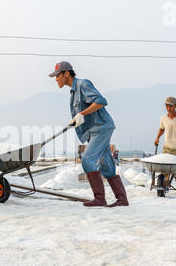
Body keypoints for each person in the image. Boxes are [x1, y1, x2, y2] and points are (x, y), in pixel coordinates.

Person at [49, 61, 128, 207]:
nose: (56, 79)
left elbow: (101, 101)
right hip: (93, 131)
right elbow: (83, 113)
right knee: (107, 166)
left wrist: (81, 113)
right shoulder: (73, 92)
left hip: (101, 127)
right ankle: (122, 199)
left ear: (66, 73)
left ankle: (100, 198)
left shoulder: (82, 84)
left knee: (87, 159)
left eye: (57, 76)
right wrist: (77, 120)